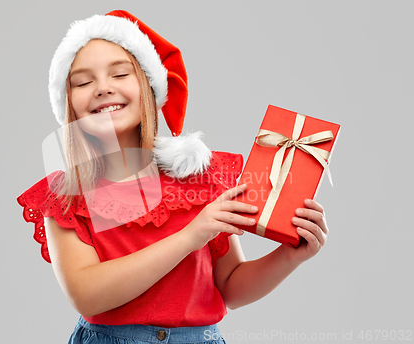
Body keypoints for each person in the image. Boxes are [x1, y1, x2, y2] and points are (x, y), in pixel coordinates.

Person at [17, 10, 329, 344]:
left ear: (150, 88)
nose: (103, 88)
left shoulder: (199, 179)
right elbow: (88, 295)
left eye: (120, 74)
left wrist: (288, 256)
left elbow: (231, 288)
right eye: (82, 81)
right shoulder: (65, 197)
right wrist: (190, 236)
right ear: (68, 104)